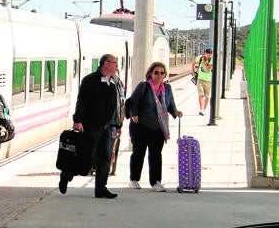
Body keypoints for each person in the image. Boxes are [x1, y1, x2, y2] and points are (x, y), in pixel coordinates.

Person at [61, 54, 122, 199]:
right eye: (114, 63)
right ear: (106, 64)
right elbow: (82, 101)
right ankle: (66, 175)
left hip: (107, 126)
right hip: (91, 126)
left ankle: (101, 189)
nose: (116, 66)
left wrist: (118, 124)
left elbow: (117, 105)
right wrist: (78, 120)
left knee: (105, 157)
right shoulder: (90, 80)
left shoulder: (114, 81)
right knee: (85, 157)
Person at [127, 62, 183, 192]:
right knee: (138, 154)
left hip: (158, 128)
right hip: (140, 126)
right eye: (156, 72)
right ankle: (134, 179)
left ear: (165, 75)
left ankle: (156, 182)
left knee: (156, 155)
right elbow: (132, 102)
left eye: (162, 73)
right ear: (150, 74)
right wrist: (134, 115)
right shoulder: (144, 87)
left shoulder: (167, 89)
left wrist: (175, 112)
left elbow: (170, 105)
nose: (159, 75)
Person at [192, 48, 213, 116]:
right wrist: (193, 72)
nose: (208, 56)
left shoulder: (212, 60)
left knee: (207, 96)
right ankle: (201, 109)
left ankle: (204, 109)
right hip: (200, 79)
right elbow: (193, 63)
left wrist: (204, 62)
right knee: (201, 95)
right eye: (207, 55)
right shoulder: (200, 58)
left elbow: (208, 68)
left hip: (208, 81)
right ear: (205, 53)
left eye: (209, 55)